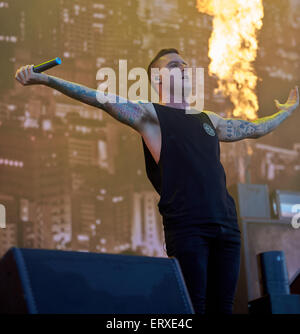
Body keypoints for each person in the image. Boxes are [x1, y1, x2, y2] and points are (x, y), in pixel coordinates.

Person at [14, 49, 299, 314]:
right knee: (193, 308)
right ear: (158, 78)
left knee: (223, 308)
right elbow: (98, 97)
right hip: (189, 229)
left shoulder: (209, 120)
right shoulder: (150, 116)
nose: (184, 69)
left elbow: (255, 129)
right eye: (175, 66)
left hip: (227, 227)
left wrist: (286, 111)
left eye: (185, 65)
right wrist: (46, 79)